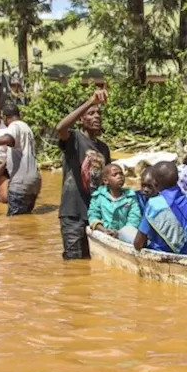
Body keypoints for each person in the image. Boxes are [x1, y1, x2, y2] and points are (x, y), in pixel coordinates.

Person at [56, 86, 111, 259]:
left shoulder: (103, 148)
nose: (96, 117)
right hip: (73, 212)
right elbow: (60, 128)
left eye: (98, 113)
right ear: (81, 120)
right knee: (74, 262)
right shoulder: (74, 139)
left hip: (94, 213)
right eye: (91, 113)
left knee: (90, 260)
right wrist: (90, 102)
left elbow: (106, 182)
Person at [135, 161, 187, 255]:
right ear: (177, 178)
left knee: (125, 232)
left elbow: (138, 244)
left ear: (155, 182)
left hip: (162, 254)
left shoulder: (154, 204)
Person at [2, 103, 41, 215]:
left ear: (5, 117)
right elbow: (22, 151)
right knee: (25, 218)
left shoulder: (14, 126)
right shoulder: (26, 128)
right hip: (34, 182)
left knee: (14, 223)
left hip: (20, 182)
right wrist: (3, 165)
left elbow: (7, 139)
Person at [88, 163, 141, 243]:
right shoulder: (99, 197)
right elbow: (93, 215)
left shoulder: (130, 197)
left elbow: (134, 219)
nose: (119, 177)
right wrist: (104, 230)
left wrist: (119, 234)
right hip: (104, 233)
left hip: (124, 236)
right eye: (115, 174)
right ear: (106, 180)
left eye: (121, 174)